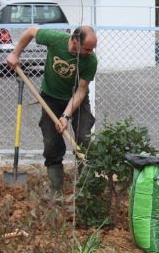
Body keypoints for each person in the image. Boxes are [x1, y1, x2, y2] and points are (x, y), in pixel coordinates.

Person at [6, 25, 98, 196]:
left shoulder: (91, 60)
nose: (90, 51)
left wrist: (65, 116)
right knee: (51, 141)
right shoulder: (55, 39)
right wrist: (15, 54)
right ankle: (56, 187)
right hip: (50, 97)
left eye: (93, 48)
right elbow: (31, 31)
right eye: (87, 48)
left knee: (84, 137)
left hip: (77, 99)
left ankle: (87, 188)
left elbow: (81, 90)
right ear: (75, 41)